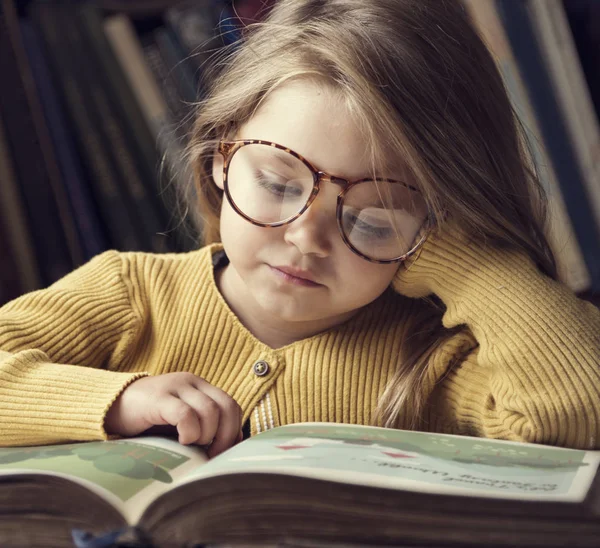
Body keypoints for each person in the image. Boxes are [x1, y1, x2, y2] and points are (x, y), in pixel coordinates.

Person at [1, 0, 599, 456]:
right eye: (280, 184)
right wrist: (118, 401)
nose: (306, 238)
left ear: (439, 226)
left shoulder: (435, 359)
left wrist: (470, 260)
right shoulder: (131, 292)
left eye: (374, 216)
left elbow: (572, 417)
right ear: (222, 155)